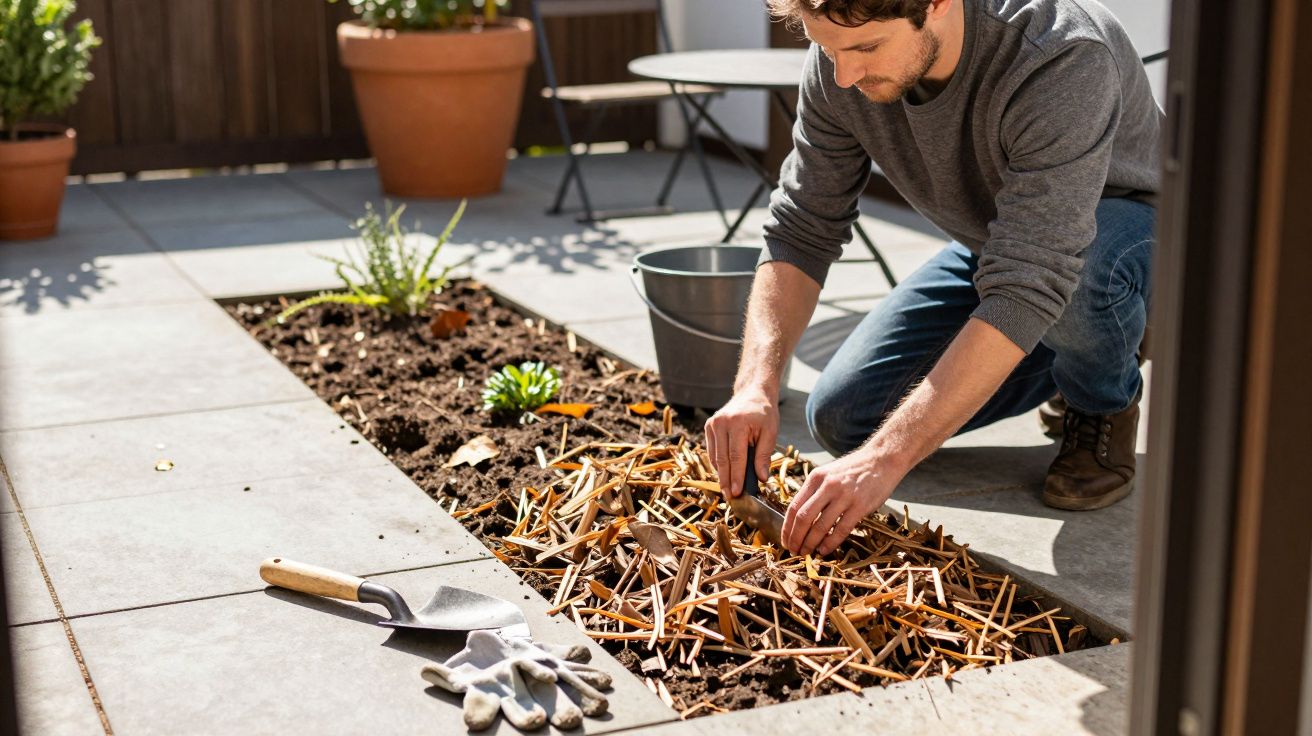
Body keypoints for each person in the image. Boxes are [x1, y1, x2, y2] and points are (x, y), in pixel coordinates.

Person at [703, 0, 1162, 557]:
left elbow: (1031, 276)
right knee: (847, 419)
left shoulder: (1059, 54)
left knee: (1081, 277)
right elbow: (802, 226)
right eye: (828, 49)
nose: (843, 74)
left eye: (867, 48)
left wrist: (886, 461)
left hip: (1130, 232)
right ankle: (1078, 349)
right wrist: (756, 385)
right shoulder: (838, 61)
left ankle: (1101, 398)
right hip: (1001, 242)